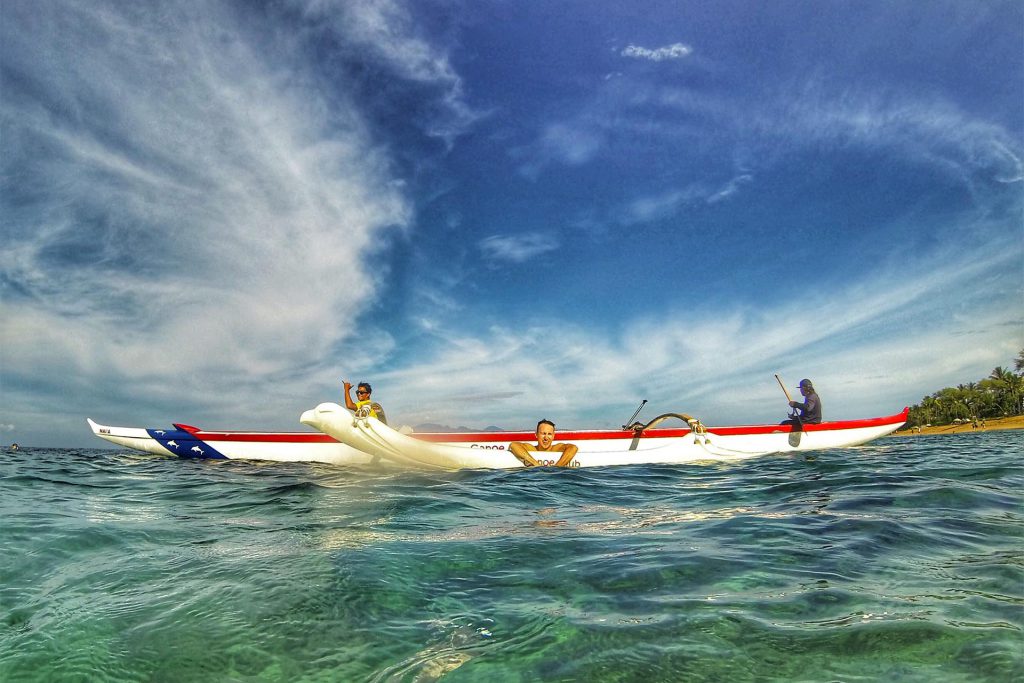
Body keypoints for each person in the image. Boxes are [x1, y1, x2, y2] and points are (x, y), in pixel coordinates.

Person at [509, 419, 578, 468]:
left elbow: (573, 448)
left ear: (553, 436)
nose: (546, 437)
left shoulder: (556, 448)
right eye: (543, 433)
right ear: (536, 434)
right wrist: (536, 465)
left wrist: (556, 468)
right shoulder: (531, 449)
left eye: (549, 434)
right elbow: (513, 445)